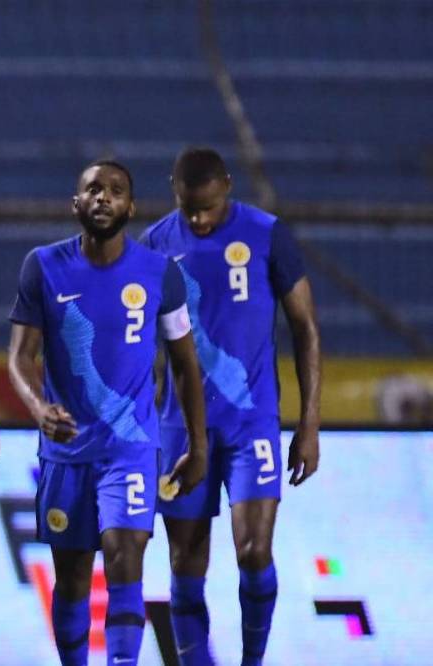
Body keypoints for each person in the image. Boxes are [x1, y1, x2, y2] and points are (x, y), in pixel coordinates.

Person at [7, 161, 208, 665]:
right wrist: (38, 407)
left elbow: (184, 364)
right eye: (93, 189)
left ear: (131, 207)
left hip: (131, 448)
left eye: (116, 191)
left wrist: (197, 445)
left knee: (125, 558)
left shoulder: (161, 274)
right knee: (73, 577)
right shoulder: (43, 266)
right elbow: (18, 357)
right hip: (66, 451)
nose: (103, 198)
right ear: (76, 203)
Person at [140, 147, 321, 666]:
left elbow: (304, 328)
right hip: (181, 427)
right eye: (188, 208)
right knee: (185, 561)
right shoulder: (155, 244)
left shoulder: (266, 234)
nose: (198, 219)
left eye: (208, 208)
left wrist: (308, 424)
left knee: (254, 550)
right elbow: (142, 337)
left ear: (228, 188)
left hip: (251, 422)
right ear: (174, 191)